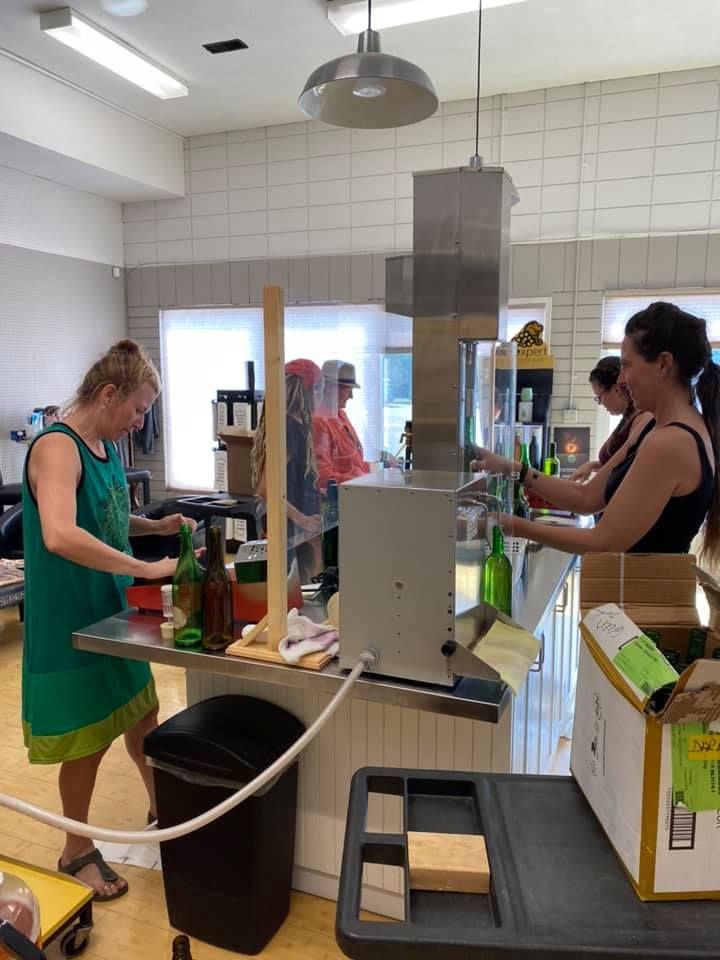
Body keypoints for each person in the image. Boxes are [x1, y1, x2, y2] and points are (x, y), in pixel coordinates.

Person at [22, 340, 194, 901]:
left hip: (113, 617)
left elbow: (105, 518)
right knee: (87, 742)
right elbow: (60, 533)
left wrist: (154, 527)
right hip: (72, 622)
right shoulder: (57, 447)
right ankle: (76, 850)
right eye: (138, 409)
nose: (140, 422)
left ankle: (163, 812)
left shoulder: (104, 446)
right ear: (108, 394)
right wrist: (145, 568)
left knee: (143, 715)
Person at [471, 302, 720, 560]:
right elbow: (586, 497)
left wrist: (511, 525)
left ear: (663, 364)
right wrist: (511, 468)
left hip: (646, 587)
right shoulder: (651, 426)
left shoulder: (672, 442)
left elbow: (604, 542)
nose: (621, 380)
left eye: (627, 365)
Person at [251, 359, 322, 542]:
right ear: (309, 391)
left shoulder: (295, 424)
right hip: (289, 527)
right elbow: (267, 488)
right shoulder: (288, 428)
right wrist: (302, 519)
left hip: (295, 523)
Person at [570, 356, 650, 482]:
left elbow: (625, 471)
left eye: (599, 397)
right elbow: (620, 464)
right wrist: (592, 465)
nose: (600, 403)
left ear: (616, 389)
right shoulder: (629, 418)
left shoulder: (641, 419)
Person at [313, 360, 369, 491]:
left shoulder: (341, 415)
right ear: (329, 388)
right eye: (348, 389)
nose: (351, 396)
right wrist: (360, 480)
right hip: (336, 497)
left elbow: (351, 462)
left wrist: (376, 468)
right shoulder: (318, 423)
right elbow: (321, 476)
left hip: (352, 492)